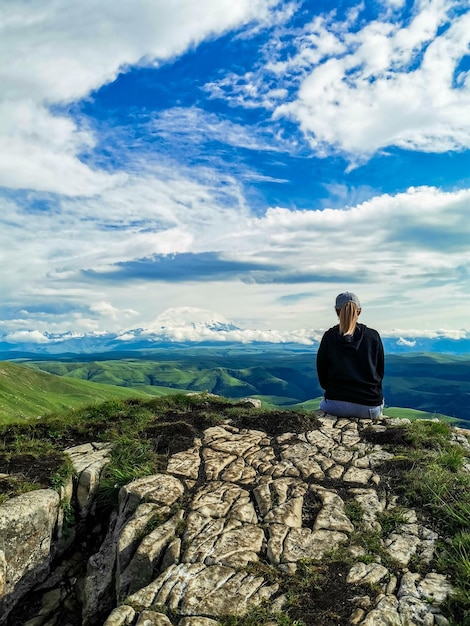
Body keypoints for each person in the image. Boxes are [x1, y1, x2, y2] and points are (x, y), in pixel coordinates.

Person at [316, 292, 384, 418]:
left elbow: (322, 373)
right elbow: (380, 372)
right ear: (359, 311)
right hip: (369, 407)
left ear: (337, 311)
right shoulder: (373, 336)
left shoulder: (329, 337)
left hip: (335, 405)